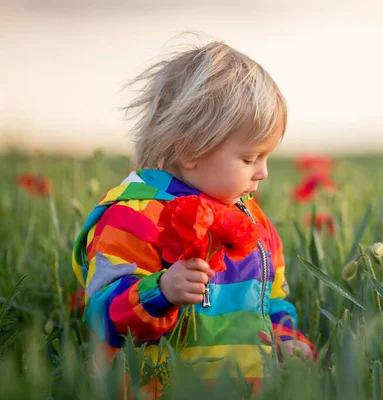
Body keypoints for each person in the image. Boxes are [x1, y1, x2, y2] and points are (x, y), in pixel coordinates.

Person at [71, 39, 315, 395]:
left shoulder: (253, 223)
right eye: (249, 158)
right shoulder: (132, 218)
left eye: (266, 158)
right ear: (190, 150)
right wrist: (161, 291)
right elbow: (101, 318)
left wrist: (286, 337)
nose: (262, 172)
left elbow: (271, 300)